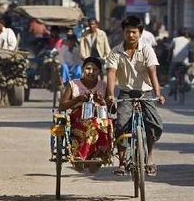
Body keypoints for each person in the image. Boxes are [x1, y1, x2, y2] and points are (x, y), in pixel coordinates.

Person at [106, 16, 165, 177]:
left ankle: (150, 157)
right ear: (123, 32)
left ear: (140, 33)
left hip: (145, 93)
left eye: (134, 32)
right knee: (120, 125)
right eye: (127, 32)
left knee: (155, 124)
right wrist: (110, 95)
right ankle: (122, 162)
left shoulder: (147, 50)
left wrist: (158, 94)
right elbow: (111, 74)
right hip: (125, 93)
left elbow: (153, 73)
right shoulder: (115, 52)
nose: (131, 35)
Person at [58, 57, 111, 173]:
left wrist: (102, 102)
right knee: (92, 123)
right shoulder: (73, 84)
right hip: (78, 117)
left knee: (105, 123)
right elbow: (61, 106)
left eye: (95, 69)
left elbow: (112, 109)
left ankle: (99, 154)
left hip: (99, 115)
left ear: (99, 72)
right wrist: (77, 99)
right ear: (83, 69)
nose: (91, 72)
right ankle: (81, 155)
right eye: (88, 69)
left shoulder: (103, 86)